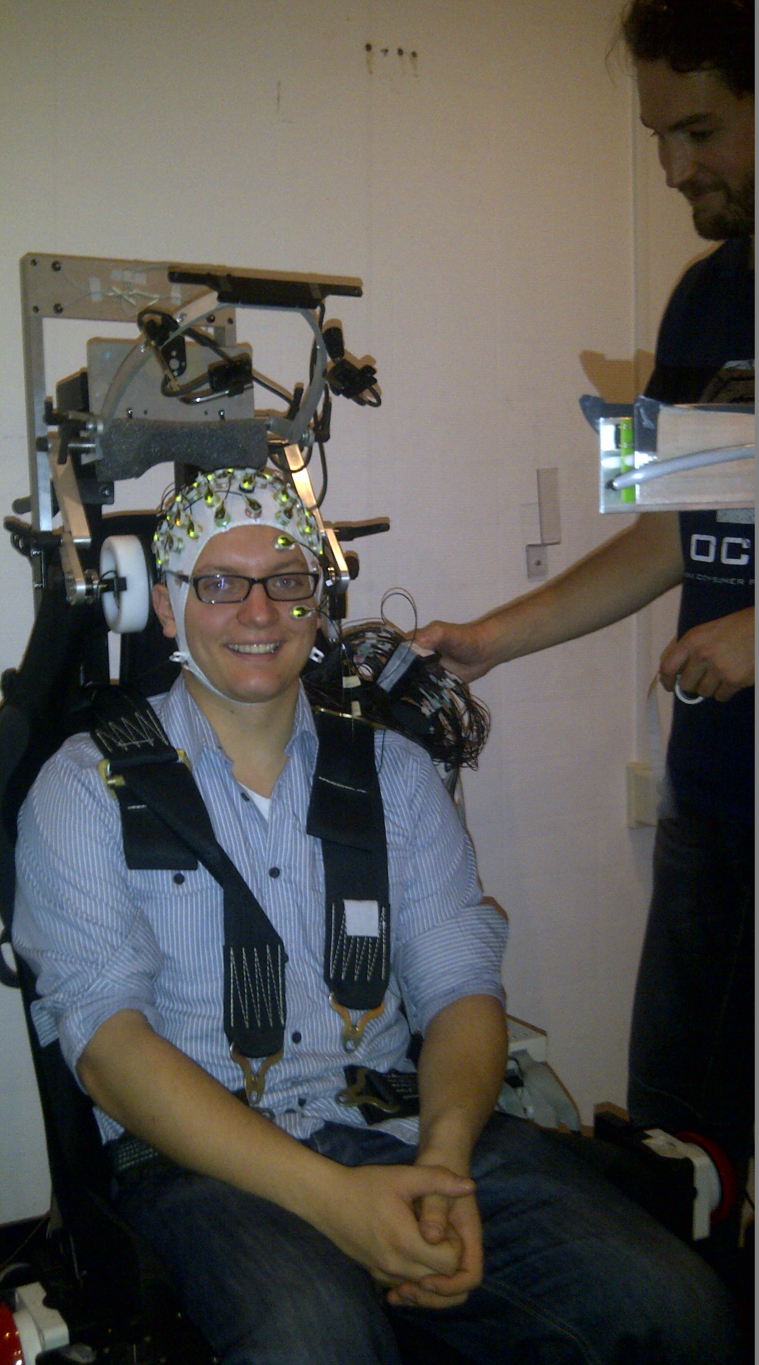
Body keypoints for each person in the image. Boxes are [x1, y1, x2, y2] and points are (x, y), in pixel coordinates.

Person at [12, 465, 736, 1364]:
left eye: (287, 581)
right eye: (220, 582)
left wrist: (442, 1161)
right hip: (203, 1168)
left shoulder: (392, 773)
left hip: (400, 1127)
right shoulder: (85, 790)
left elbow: (462, 989)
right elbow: (112, 1055)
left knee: (676, 1304)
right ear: (168, 606)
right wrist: (335, 1203)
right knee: (316, 1339)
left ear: (320, 601)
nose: (259, 612)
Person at [413, 0, 754, 1232]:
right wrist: (491, 637)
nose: (669, 167)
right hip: (712, 799)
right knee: (680, 1164)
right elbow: (671, 534)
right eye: (655, 134)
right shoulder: (703, 306)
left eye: (699, 129)